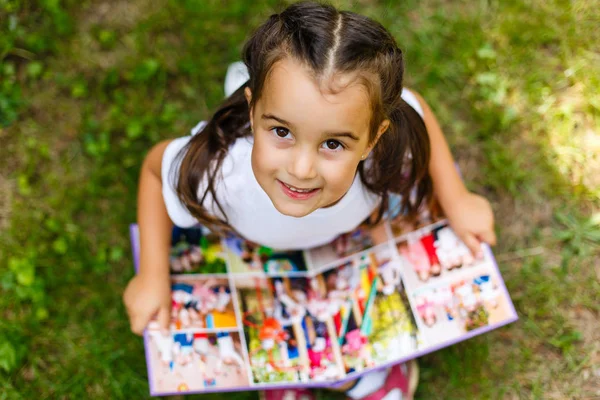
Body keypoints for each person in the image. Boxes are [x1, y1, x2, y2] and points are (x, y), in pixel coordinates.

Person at [123, 2, 496, 399]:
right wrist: (152, 276)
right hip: (261, 247)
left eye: (333, 143)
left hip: (342, 238)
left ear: (373, 137)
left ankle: (354, 374)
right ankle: (293, 378)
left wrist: (456, 199)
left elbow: (415, 105)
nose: (302, 169)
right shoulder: (221, 173)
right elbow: (153, 169)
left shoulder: (387, 150)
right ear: (253, 112)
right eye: (281, 131)